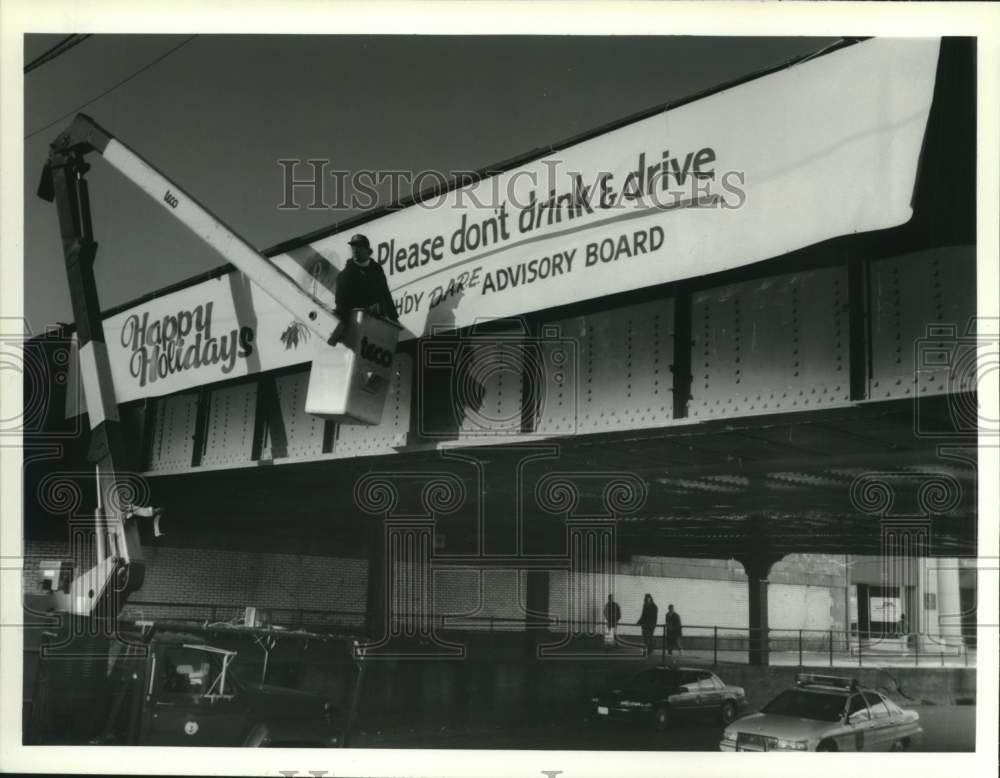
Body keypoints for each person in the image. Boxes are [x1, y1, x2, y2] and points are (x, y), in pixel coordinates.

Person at [330, 234, 399, 344]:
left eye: (359, 247)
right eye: (353, 247)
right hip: (356, 329)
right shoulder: (345, 276)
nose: (355, 250)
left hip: (377, 328)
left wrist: (394, 319)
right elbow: (342, 306)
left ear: (368, 251)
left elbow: (386, 295)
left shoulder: (377, 270)